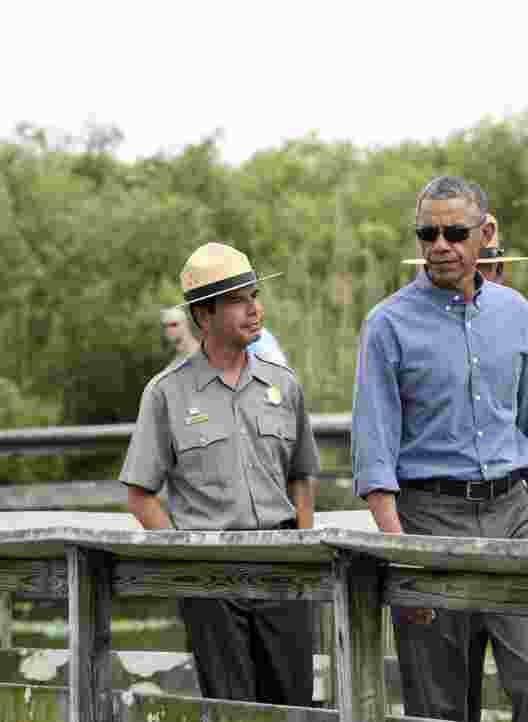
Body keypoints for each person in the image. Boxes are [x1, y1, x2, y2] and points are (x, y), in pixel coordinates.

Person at [353, 176, 528, 722]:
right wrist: (402, 557)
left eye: (454, 232)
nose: (439, 246)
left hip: (513, 518)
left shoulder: (516, 313)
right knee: (440, 705)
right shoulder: (387, 324)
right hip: (428, 525)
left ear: (486, 232)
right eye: (427, 233)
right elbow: (374, 453)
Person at [403, 211, 528, 722]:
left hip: (522, 529)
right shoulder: (406, 329)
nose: (490, 275)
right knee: (444, 691)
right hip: (441, 524)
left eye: (496, 265)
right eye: (486, 264)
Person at [120, 242, 319, 706]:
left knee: (294, 706)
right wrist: (186, 566)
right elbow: (140, 495)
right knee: (230, 708)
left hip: (284, 569)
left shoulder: (283, 385)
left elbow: (303, 475)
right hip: (209, 575)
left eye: (254, 295)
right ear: (204, 317)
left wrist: (304, 553)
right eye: (239, 301)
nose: (255, 309)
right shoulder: (166, 394)